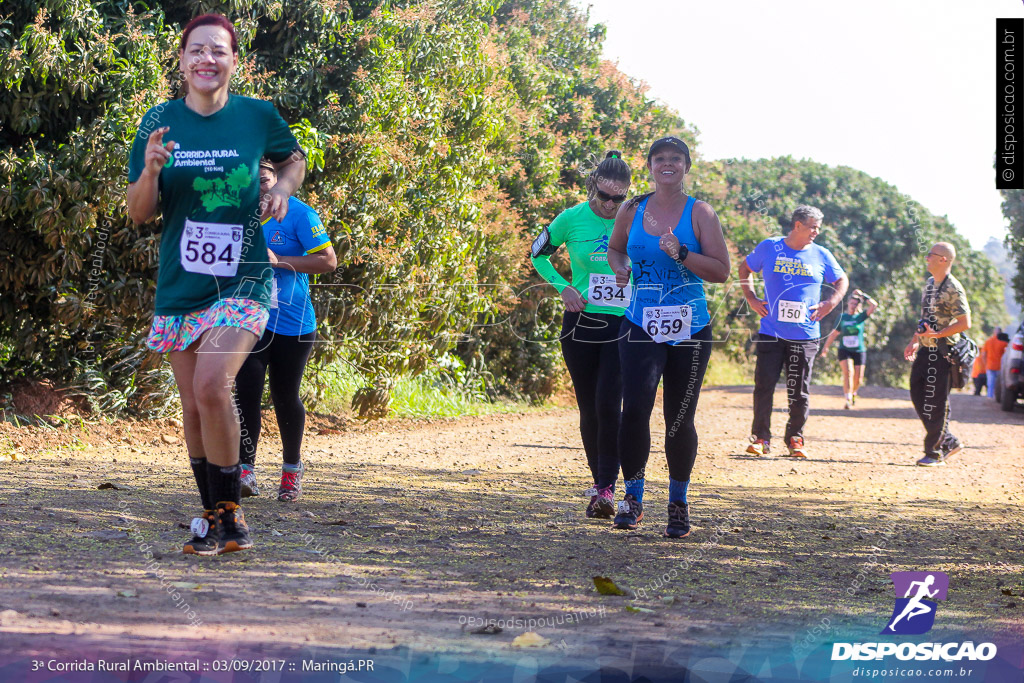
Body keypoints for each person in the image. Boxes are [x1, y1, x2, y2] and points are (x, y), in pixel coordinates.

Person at [126, 13, 306, 554]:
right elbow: (138, 213)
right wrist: (152, 171)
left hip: (244, 280)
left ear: (234, 61)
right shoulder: (159, 121)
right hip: (183, 285)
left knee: (212, 386)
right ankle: (211, 515)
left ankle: (232, 512)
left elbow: (292, 159)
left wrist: (286, 189)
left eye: (218, 51)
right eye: (196, 51)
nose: (207, 59)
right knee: (192, 405)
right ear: (182, 62)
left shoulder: (257, 116)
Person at [607, 137, 730, 538]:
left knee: (679, 418)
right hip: (641, 322)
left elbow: (721, 271)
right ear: (650, 166)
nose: (667, 165)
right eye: (660, 159)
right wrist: (621, 267)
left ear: (686, 166)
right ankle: (633, 498)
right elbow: (616, 249)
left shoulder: (701, 212)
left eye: (675, 160)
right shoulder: (631, 208)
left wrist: (682, 254)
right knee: (635, 409)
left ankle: (678, 503)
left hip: (690, 326)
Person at [531, 151, 632, 518]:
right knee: (589, 407)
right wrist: (563, 287)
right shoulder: (571, 218)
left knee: (610, 404)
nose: (610, 204)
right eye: (604, 196)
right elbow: (537, 254)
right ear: (592, 187)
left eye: (618, 198)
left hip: (625, 325)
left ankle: (607, 485)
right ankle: (600, 487)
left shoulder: (638, 218)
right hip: (582, 322)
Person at [235, 160, 337, 502]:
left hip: (293, 324)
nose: (259, 188)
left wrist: (279, 261)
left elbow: (328, 261)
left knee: (283, 396)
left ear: (279, 180)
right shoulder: (238, 214)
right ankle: (244, 471)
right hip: (251, 318)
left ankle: (291, 471)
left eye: (264, 180)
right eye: (252, 182)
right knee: (245, 389)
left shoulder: (300, 215)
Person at [739, 206, 848, 458]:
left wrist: (831, 303)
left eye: (818, 227)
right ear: (797, 225)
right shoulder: (770, 247)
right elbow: (745, 269)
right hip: (771, 332)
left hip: (806, 334)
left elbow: (842, 280)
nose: (816, 232)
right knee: (764, 386)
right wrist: (752, 298)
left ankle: (795, 438)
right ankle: (761, 439)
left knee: (798, 389)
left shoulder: (821, 254)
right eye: (812, 226)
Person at [903, 242, 972, 466]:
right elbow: (924, 320)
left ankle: (934, 452)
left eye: (930, 255)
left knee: (936, 400)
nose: (926, 259)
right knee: (917, 393)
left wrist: (939, 334)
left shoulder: (954, 288)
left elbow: (965, 323)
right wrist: (915, 340)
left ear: (943, 259)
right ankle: (948, 441)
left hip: (944, 352)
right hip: (926, 349)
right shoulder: (930, 284)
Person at [819, 289, 878, 409]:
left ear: (858, 305)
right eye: (851, 303)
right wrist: (825, 348)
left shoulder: (860, 317)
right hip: (844, 349)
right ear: (848, 304)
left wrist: (863, 295)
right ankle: (847, 398)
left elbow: (874, 305)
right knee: (848, 373)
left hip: (859, 350)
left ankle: (854, 392)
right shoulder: (842, 317)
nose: (852, 306)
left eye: (855, 304)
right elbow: (834, 334)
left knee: (858, 378)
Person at [980, 327, 1008, 399]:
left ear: (994, 333)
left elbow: (983, 354)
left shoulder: (988, 341)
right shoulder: (1004, 342)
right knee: (998, 384)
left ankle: (990, 396)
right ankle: (997, 397)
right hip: (1000, 367)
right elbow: (1006, 354)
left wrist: (985, 364)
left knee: (990, 383)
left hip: (990, 366)